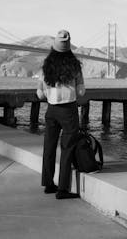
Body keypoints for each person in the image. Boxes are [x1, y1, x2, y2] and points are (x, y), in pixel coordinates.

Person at [36, 30, 86, 199]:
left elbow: (40, 92)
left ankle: (48, 184)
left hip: (51, 110)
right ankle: (63, 189)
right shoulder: (74, 65)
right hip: (68, 110)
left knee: (49, 147)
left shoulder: (46, 65)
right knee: (67, 148)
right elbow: (81, 91)